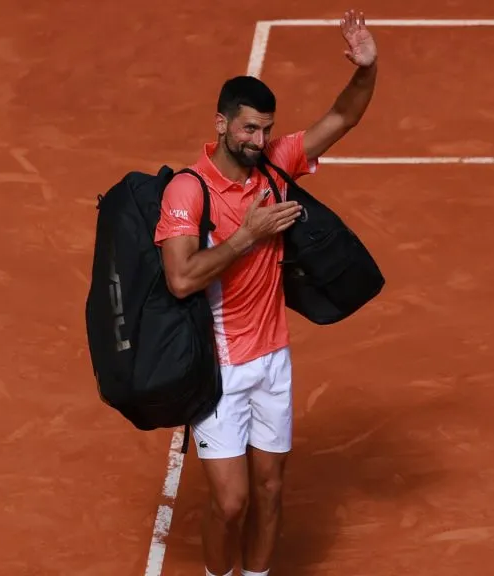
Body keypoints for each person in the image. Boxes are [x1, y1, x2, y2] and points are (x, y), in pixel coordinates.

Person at [153, 10, 378, 576]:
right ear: (222, 124)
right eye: (249, 128)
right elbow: (182, 277)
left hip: (272, 361)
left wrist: (367, 69)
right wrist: (248, 236)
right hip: (219, 368)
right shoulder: (188, 190)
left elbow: (343, 116)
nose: (259, 140)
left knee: (271, 493)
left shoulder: (275, 167)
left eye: (266, 129)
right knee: (231, 503)